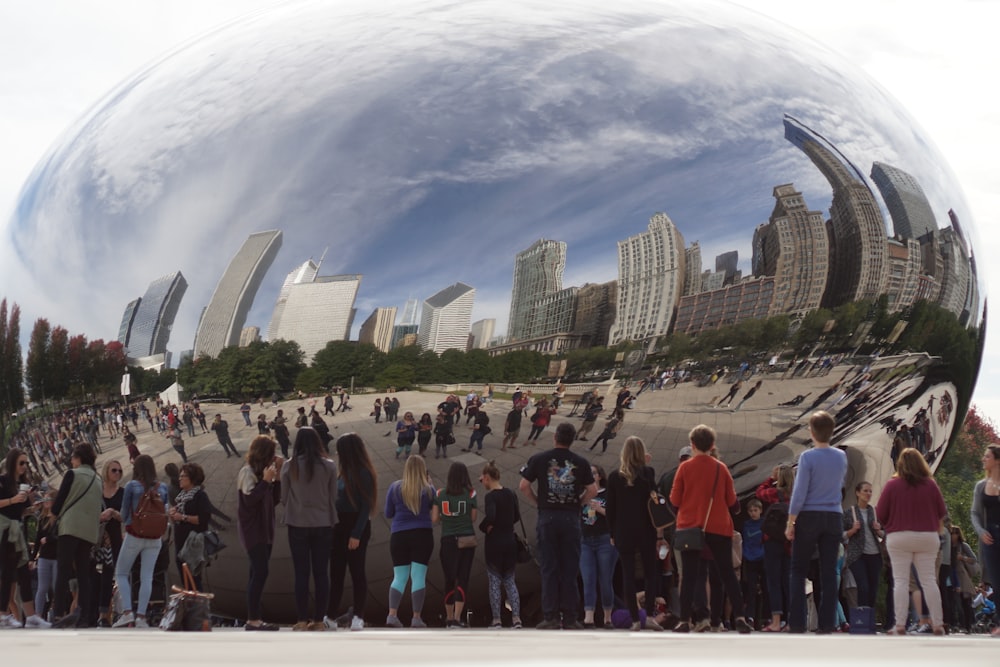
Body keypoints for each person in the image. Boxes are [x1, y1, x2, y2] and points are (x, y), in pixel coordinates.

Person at [669, 425, 752, 634]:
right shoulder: (720, 468)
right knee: (727, 574)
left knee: (689, 575)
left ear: (692, 444)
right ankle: (740, 616)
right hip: (719, 527)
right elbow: (732, 501)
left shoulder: (684, 468)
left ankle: (685, 620)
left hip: (690, 526)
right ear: (712, 445)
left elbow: (675, 500)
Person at [519, 422, 597, 629]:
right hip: (571, 518)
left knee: (549, 568)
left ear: (555, 437)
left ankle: (551, 616)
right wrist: (579, 503)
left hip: (548, 517)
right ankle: (571, 618)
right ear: (571, 440)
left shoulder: (539, 459)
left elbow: (524, 486)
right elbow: (592, 490)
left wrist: (538, 502)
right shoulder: (580, 462)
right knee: (570, 569)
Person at [784, 411, 847, 634]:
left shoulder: (807, 458)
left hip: (810, 515)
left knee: (798, 569)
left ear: (811, 432)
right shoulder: (841, 456)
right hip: (834, 516)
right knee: (829, 571)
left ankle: (798, 622)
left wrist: (791, 522)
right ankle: (828, 623)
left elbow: (800, 492)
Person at [876, 447, 947, 635]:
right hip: (927, 537)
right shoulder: (931, 485)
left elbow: (880, 513)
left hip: (899, 536)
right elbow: (942, 512)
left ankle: (900, 624)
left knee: (900, 581)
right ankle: (938, 623)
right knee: (929, 581)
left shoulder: (892, 485)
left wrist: (891, 524)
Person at [281, 427, 339, 631]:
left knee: (301, 573)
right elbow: (333, 496)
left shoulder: (289, 466)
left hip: (297, 523)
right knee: (322, 573)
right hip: (323, 523)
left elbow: (283, 498)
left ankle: (302, 619)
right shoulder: (330, 466)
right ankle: (318, 620)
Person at [606, 436, 664, 631]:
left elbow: (611, 508)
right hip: (645, 530)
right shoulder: (648, 473)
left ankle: (634, 619)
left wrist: (612, 532)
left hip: (623, 530)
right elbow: (655, 500)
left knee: (627, 574)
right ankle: (648, 615)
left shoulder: (614, 476)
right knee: (650, 573)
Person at [113, 455, 169, 628]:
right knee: (147, 577)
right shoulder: (163, 487)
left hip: (135, 535)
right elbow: (165, 511)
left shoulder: (131, 486)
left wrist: (115, 515)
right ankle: (141, 617)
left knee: (121, 573)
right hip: (155, 538)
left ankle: (128, 612)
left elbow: (123, 515)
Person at [51, 443, 103, 628]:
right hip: (89, 531)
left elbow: (58, 502)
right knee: (83, 574)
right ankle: (85, 616)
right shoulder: (98, 479)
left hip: (71, 527)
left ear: (79, 458)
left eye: (73, 457)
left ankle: (58, 615)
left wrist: (53, 515)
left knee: (63, 570)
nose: (71, 461)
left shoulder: (73, 474)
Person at [330, 433, 378, 632]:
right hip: (339, 525)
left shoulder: (363, 472)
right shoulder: (343, 471)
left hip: (355, 525)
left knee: (357, 572)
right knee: (336, 573)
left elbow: (366, 506)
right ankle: (330, 615)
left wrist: (356, 534)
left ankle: (358, 615)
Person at [0, 449, 50, 628]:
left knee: (23, 573)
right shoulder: (3, 480)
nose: (24, 466)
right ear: (13, 462)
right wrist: (14, 499)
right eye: (21, 463)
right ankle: (4, 615)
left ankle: (31, 616)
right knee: (8, 573)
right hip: (6, 531)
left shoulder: (21, 483)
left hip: (17, 531)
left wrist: (32, 507)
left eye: (26, 463)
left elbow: (20, 512)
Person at [384, 455, 435, 628]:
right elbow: (432, 510)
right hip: (422, 535)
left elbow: (388, 513)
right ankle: (416, 618)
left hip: (399, 535)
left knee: (399, 577)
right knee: (418, 576)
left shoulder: (395, 487)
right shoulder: (429, 490)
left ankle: (392, 615)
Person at [238, 435, 283, 631]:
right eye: (271, 454)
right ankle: (253, 619)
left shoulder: (262, 472)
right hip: (252, 530)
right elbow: (249, 502)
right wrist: (265, 482)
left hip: (265, 530)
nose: (274, 458)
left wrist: (276, 478)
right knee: (260, 571)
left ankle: (254, 617)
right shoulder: (247, 472)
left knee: (255, 573)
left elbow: (273, 501)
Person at [432, 462, 478, 627]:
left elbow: (435, 519)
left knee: (449, 579)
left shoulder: (440, 493)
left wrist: (447, 517)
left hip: (448, 540)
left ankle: (449, 617)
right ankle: (458, 618)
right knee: (463, 578)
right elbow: (473, 518)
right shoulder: (471, 493)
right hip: (467, 539)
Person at [479, 460, 522, 629]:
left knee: (495, 582)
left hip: (495, 543)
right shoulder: (511, 493)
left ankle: (497, 620)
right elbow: (516, 516)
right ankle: (516, 618)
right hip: (510, 540)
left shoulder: (491, 496)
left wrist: (485, 527)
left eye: (482, 479)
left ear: (488, 478)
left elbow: (491, 516)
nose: (482, 483)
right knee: (510, 581)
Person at [755, 464, 794, 632]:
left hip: (772, 540)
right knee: (789, 581)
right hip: (789, 541)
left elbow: (759, 492)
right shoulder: (795, 495)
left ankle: (776, 621)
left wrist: (771, 478)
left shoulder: (774, 494)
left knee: (773, 581)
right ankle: (792, 619)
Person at [580, 463, 615, 629]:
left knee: (605, 579)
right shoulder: (583, 494)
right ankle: (589, 618)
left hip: (604, 540)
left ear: (600, 476)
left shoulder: (608, 494)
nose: (591, 476)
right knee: (588, 578)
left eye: (593, 473)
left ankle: (608, 617)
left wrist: (600, 509)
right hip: (585, 540)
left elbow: (617, 516)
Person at [168, 463, 211, 590]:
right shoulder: (182, 497)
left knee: (193, 580)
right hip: (181, 543)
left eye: (183, 476)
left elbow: (203, 519)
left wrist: (182, 517)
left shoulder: (199, 495)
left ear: (192, 478)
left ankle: (199, 608)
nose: (179, 478)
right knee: (186, 580)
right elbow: (178, 517)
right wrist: (173, 514)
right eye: (179, 476)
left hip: (192, 544)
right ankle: (192, 606)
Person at [843, 481, 884, 610]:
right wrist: (852, 531)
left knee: (873, 589)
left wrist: (878, 530)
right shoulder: (850, 512)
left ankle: (869, 619)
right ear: (857, 493)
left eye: (870, 491)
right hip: (857, 555)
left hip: (875, 554)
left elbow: (885, 534)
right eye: (865, 491)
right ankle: (861, 618)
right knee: (863, 586)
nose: (868, 494)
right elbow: (840, 535)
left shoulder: (875, 512)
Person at [94, 459, 125, 627]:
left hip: (115, 540)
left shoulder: (123, 492)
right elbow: (90, 515)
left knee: (117, 576)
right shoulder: (97, 492)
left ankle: (118, 613)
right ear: (106, 471)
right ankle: (102, 615)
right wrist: (102, 516)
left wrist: (114, 513)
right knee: (102, 579)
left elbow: (127, 517)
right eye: (114, 470)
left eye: (119, 471)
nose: (117, 474)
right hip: (98, 540)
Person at [971, 444, 1000, 595]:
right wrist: (981, 531)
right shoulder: (981, 486)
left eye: (987, 456)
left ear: (997, 461)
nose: (983, 459)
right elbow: (974, 513)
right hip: (989, 537)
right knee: (995, 582)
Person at [31, 495, 59, 622]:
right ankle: (38, 615)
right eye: (45, 499)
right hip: (44, 557)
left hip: (56, 557)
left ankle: (55, 613)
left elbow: (61, 536)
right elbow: (37, 540)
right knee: (42, 588)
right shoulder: (42, 519)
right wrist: (32, 558)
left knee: (55, 586)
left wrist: (48, 539)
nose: (47, 502)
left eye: (49, 499)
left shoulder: (59, 519)